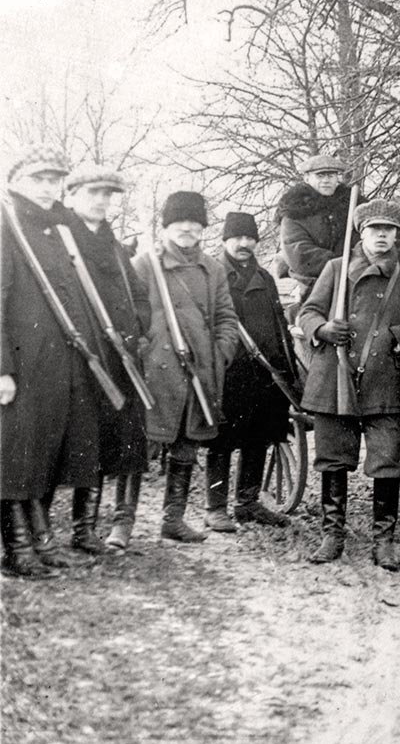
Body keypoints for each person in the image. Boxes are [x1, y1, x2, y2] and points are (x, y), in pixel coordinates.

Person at [298, 199, 400, 570]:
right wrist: (322, 328)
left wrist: (395, 334)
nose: (382, 237)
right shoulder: (336, 269)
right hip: (335, 376)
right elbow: (307, 312)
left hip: (384, 378)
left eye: (389, 230)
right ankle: (332, 535)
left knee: (387, 460)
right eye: (375, 230)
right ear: (362, 233)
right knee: (333, 458)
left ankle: (383, 541)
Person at [1, 148, 101, 577]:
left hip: (60, 362)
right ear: (17, 180)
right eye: (38, 178)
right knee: (14, 454)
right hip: (22, 362)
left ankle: (42, 541)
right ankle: (18, 549)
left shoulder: (60, 227)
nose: (47, 187)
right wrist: (2, 367)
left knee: (46, 452)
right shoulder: (7, 225)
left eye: (54, 179)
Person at [134, 191, 240, 543]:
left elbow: (226, 316)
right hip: (157, 370)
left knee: (186, 444)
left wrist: (220, 353)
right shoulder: (146, 264)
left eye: (195, 223)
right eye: (180, 222)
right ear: (167, 226)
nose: (187, 228)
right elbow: (133, 315)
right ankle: (123, 523)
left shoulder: (212, 269)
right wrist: (146, 349)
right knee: (138, 445)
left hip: (200, 370)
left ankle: (172, 519)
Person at [63, 164, 152, 555]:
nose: (100, 201)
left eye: (107, 195)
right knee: (76, 441)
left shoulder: (114, 245)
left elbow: (140, 295)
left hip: (118, 358)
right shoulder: (62, 237)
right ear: (73, 194)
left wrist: (137, 331)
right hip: (78, 357)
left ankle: (87, 530)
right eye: (92, 193)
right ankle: (54, 532)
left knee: (111, 441)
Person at [209, 211, 295, 531]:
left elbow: (279, 324)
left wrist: (285, 366)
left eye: (249, 238)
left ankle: (247, 503)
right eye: (237, 238)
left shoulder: (265, 278)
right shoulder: (214, 274)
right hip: (229, 370)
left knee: (258, 436)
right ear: (225, 240)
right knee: (221, 439)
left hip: (263, 372)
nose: (244, 244)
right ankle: (215, 507)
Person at [278, 154, 355, 299]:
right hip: (312, 285)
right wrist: (341, 263)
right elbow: (300, 254)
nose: (326, 180)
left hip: (351, 280)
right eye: (320, 176)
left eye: (331, 175)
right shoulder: (294, 212)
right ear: (307, 178)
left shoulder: (352, 206)